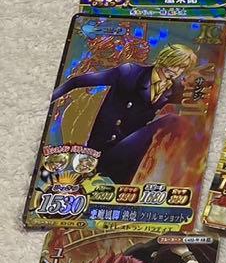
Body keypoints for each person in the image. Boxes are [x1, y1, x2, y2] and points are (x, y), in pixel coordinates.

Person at [49, 43, 199, 184]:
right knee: (173, 121)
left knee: (183, 127)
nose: (176, 71)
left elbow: (197, 100)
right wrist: (47, 101)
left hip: (132, 158)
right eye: (175, 64)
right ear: (164, 58)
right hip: (106, 152)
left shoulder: (173, 88)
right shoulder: (130, 72)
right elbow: (76, 82)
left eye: (182, 68)